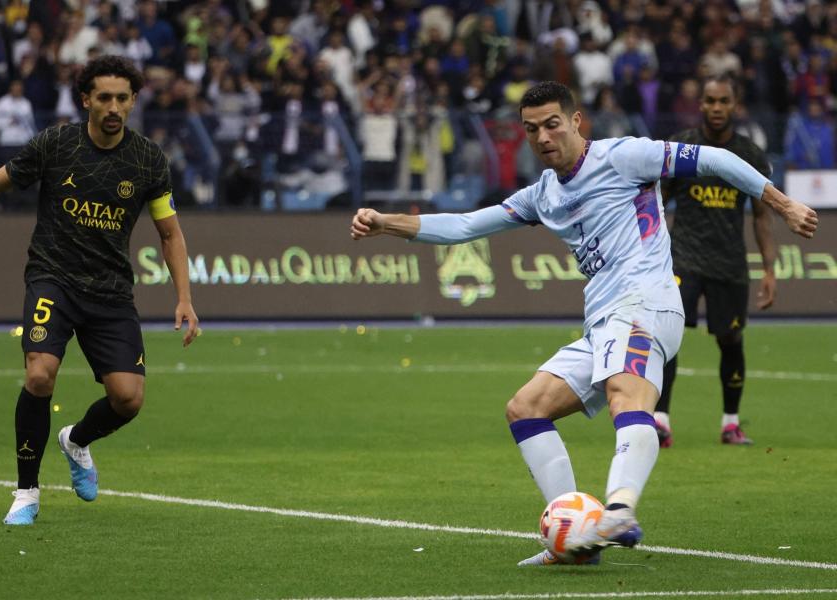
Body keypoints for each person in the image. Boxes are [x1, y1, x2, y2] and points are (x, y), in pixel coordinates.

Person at [349, 81, 817, 566]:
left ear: (576, 121)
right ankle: (574, 539)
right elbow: (467, 226)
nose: (543, 137)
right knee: (526, 407)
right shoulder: (543, 195)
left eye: (553, 124)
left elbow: (713, 160)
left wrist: (783, 204)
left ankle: (618, 510)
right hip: (603, 321)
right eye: (532, 130)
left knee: (625, 394)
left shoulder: (625, 157)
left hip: (645, 303)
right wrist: (388, 223)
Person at [0, 55, 199, 526]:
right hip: (52, 279)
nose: (114, 106)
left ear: (134, 100)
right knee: (40, 376)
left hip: (110, 292)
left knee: (129, 399)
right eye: (104, 97)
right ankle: (26, 492)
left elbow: (170, 234)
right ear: (86, 100)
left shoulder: (147, 159)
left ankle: (76, 440)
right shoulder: (56, 144)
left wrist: (184, 297)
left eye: (123, 97)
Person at [653, 75, 777, 448]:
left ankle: (730, 423)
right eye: (710, 101)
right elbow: (657, 201)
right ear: (701, 104)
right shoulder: (683, 147)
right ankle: (660, 421)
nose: (717, 108)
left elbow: (760, 216)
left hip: (729, 265)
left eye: (724, 101)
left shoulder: (750, 155)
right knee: (667, 341)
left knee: (731, 340)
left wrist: (769, 269)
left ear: (735, 104)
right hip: (683, 260)